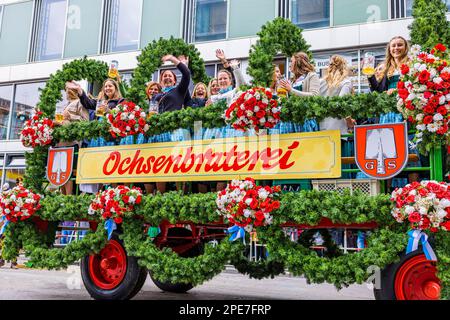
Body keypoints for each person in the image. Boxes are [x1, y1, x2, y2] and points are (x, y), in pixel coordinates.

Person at [54, 85, 89, 195]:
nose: (68, 92)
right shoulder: (64, 105)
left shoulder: (80, 103)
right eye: (67, 90)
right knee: (59, 172)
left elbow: (85, 122)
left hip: (72, 143)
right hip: (60, 143)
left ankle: (68, 197)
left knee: (67, 171)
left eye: (71, 90)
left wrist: (70, 118)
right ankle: (62, 196)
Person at [277, 51, 320, 133]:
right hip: (290, 122)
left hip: (305, 121)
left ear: (298, 62)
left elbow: (314, 96)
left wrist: (291, 90)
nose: (289, 64)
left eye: (291, 61)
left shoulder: (312, 76)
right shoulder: (292, 81)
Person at [319, 55, 355, 134]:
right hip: (338, 128)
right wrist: (349, 121)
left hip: (321, 127)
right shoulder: (346, 82)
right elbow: (342, 104)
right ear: (344, 67)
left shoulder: (320, 82)